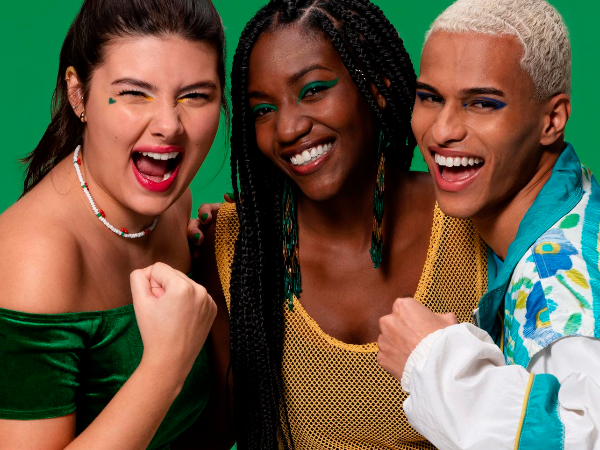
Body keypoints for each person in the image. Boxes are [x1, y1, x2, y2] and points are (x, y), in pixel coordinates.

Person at [186, 0, 487, 448]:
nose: (287, 129)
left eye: (312, 90)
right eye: (263, 110)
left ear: (378, 87)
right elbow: (202, 437)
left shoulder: (472, 220)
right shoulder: (237, 246)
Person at [0, 0, 225, 448]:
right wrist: (167, 363)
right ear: (78, 94)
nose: (169, 125)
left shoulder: (173, 208)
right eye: (134, 93)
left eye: (195, 96)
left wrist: (221, 267)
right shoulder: (35, 257)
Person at [377, 0, 600, 448]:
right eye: (429, 97)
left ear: (552, 120)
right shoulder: (564, 203)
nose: (443, 130)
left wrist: (434, 360)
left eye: (482, 103)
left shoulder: (561, 284)